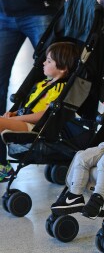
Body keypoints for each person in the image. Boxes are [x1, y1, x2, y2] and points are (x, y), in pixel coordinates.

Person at [0, 0, 76, 118]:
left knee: (55, 73)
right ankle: (6, 131)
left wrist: (72, 8)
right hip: (4, 13)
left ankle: (46, 134)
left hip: (42, 9)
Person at [0, 42, 79, 182]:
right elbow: (33, 107)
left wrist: (16, 119)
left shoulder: (61, 89)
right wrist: (15, 113)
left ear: (63, 68)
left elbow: (44, 114)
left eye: (49, 61)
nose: (43, 63)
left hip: (37, 128)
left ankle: (3, 168)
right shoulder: (43, 84)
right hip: (24, 121)